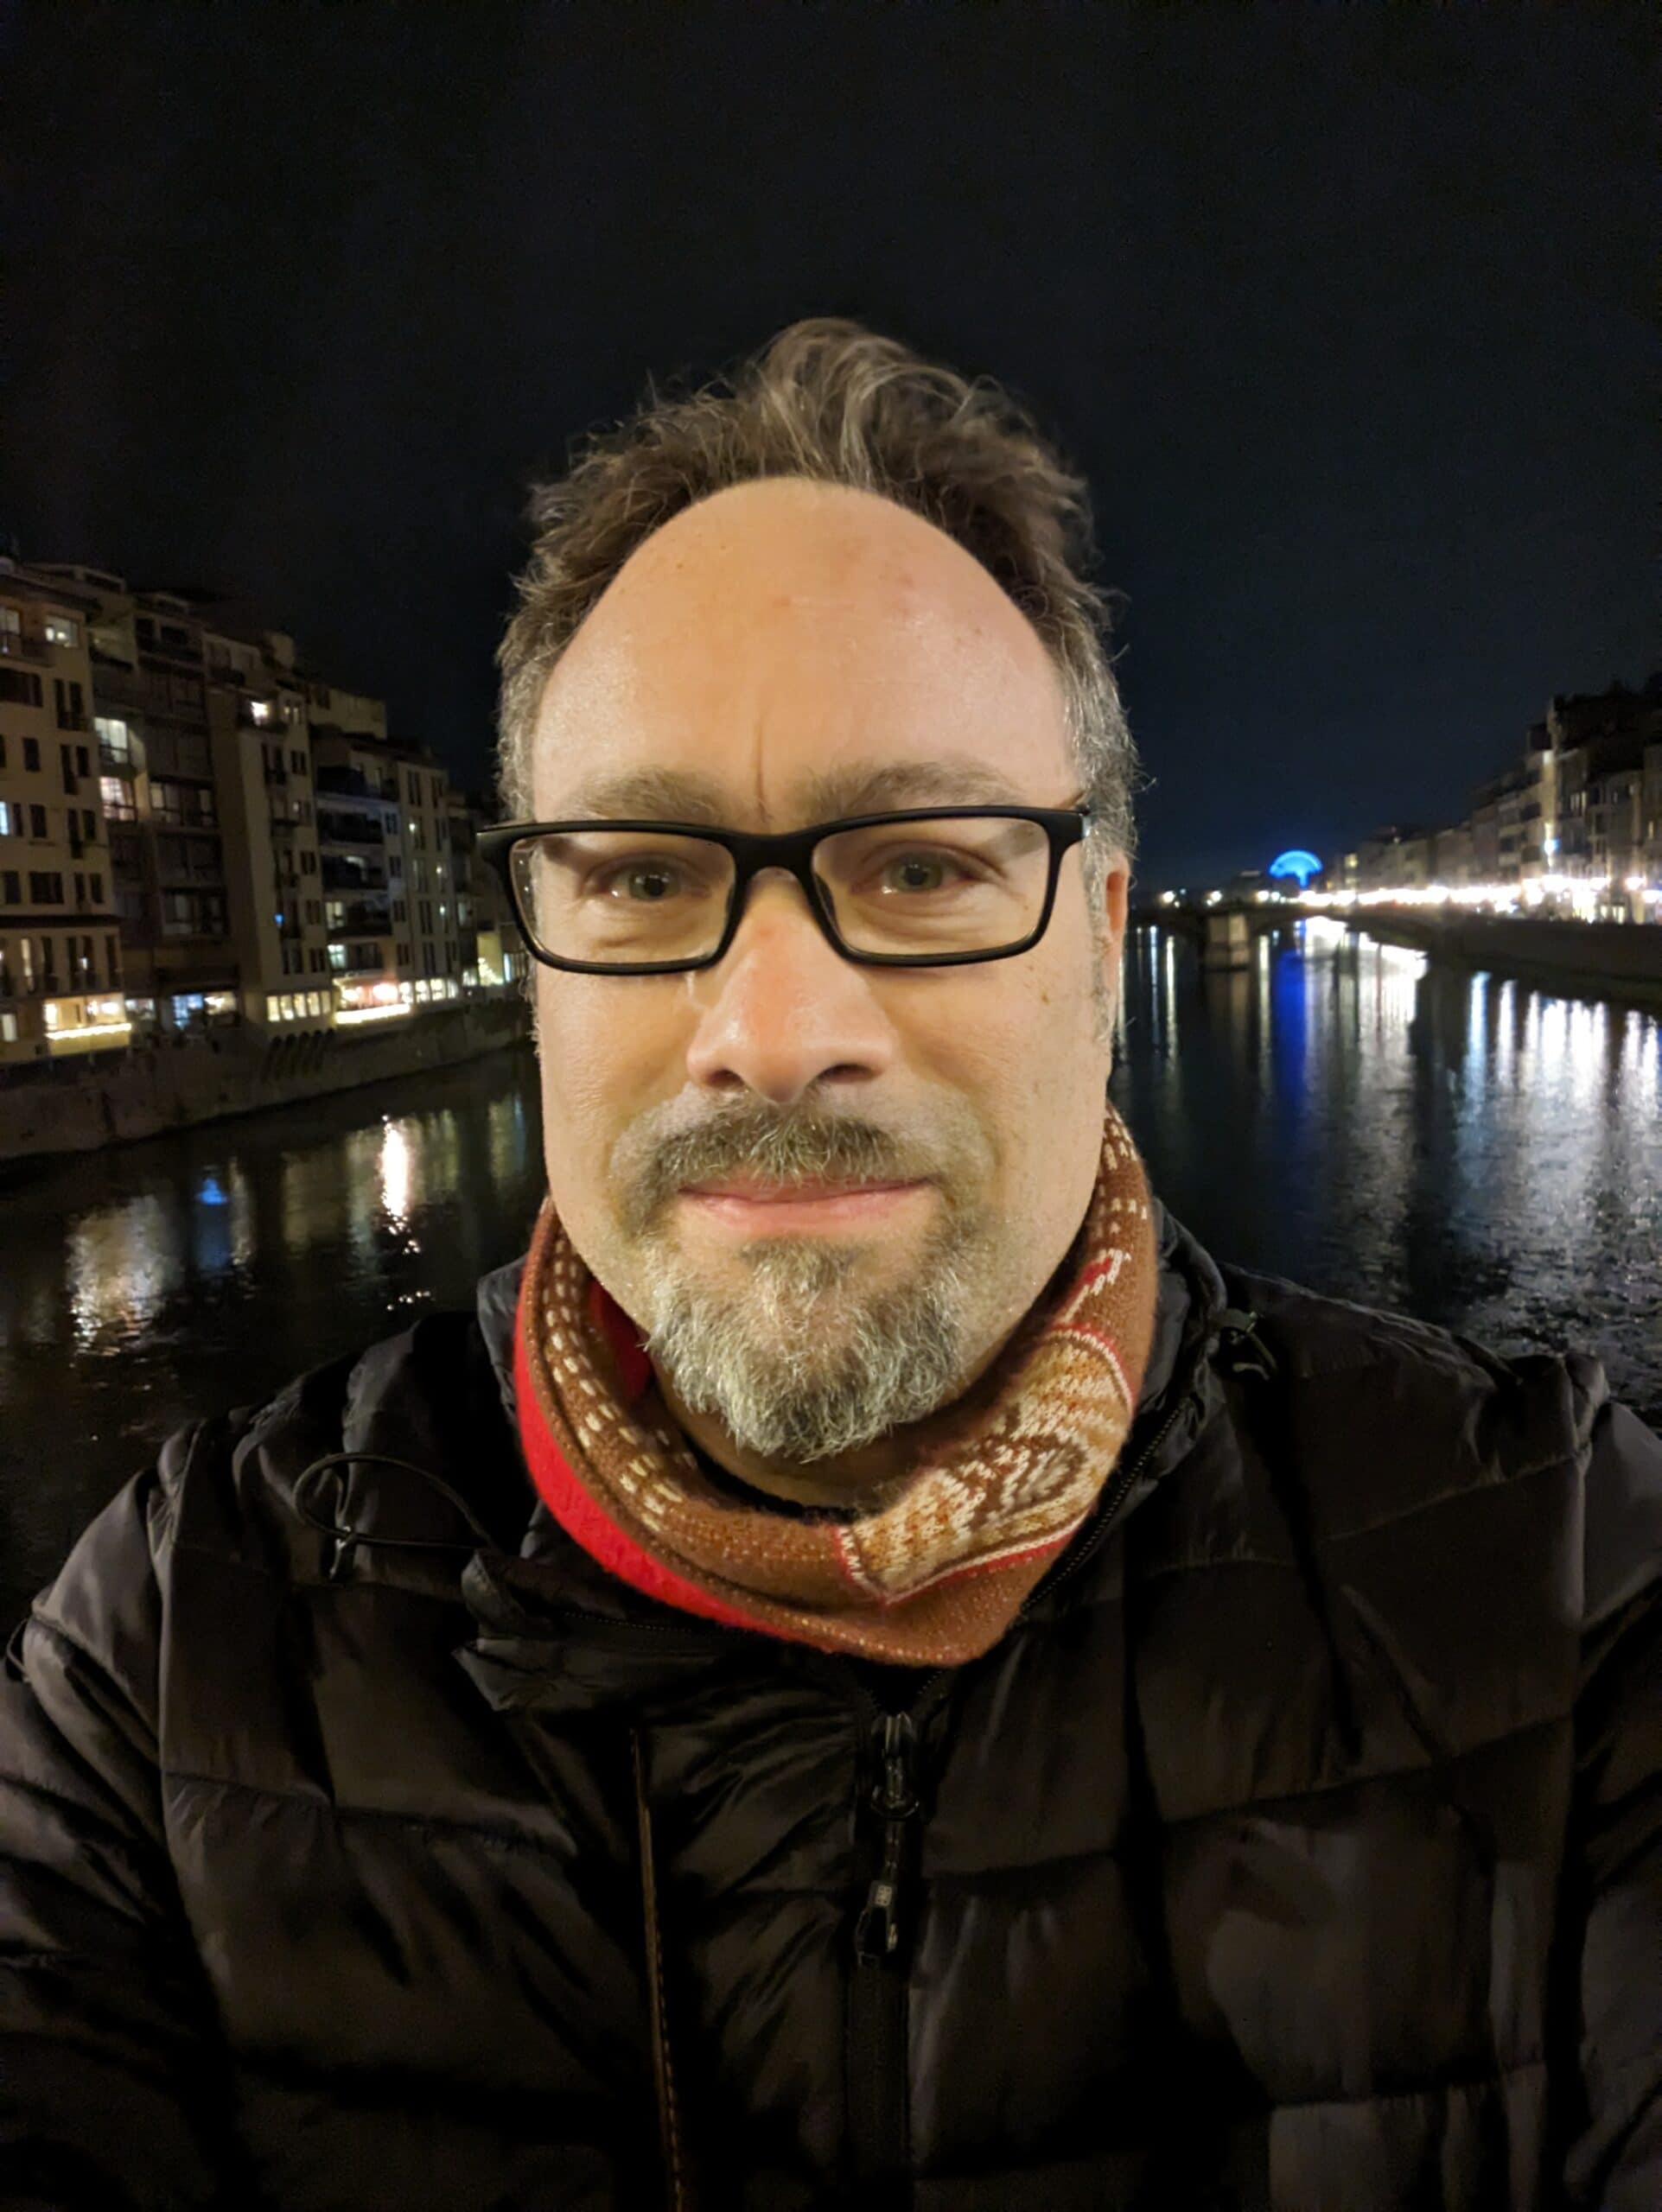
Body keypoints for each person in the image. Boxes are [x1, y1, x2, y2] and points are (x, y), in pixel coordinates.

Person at [3, 320, 1659, 2212]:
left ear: (1101, 936)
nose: (772, 1025)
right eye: (638, 873)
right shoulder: (168, 1655)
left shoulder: (1559, 1584)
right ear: (535, 947)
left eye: (923, 865)